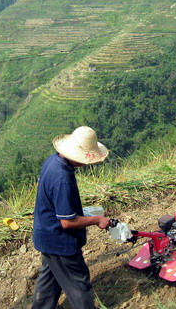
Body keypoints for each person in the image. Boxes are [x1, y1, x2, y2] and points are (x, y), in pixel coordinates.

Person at [32, 126, 110, 309]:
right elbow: (67, 221)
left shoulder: (53, 161)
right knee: (78, 284)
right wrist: (97, 220)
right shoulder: (62, 178)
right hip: (59, 240)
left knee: (49, 280)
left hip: (45, 234)